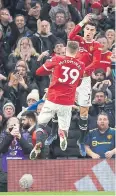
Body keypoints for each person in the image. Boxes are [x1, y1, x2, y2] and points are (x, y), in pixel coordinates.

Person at [29, 40, 85, 160]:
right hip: (68, 101)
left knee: (41, 124)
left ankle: (39, 142)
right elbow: (79, 82)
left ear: (65, 49)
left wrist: (52, 71)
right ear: (77, 51)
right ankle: (62, 134)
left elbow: (38, 72)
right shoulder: (81, 65)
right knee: (64, 126)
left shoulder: (58, 59)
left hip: (53, 98)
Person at [68, 14, 102, 156]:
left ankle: (81, 140)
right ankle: (55, 132)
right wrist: (82, 22)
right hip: (72, 76)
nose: (88, 32)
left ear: (95, 32)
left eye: (91, 30)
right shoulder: (79, 41)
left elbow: (96, 62)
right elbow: (70, 35)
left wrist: (84, 71)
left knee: (84, 112)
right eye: (87, 29)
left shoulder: (96, 45)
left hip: (85, 79)